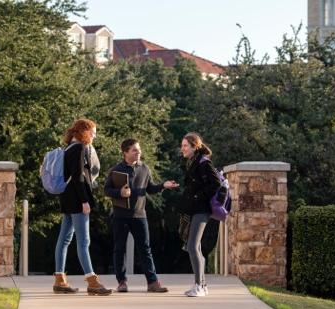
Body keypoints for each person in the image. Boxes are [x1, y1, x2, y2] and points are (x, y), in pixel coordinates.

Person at [104, 138, 179, 293]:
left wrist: (163, 186)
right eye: (135, 150)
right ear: (125, 152)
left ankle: (152, 283)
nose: (139, 152)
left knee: (145, 249)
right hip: (120, 216)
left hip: (139, 215)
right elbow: (106, 190)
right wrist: (120, 193)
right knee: (119, 249)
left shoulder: (144, 168)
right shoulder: (115, 170)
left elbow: (150, 189)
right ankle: (122, 282)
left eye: (139, 149)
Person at [53, 118, 112, 296]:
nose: (94, 136)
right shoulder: (79, 148)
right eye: (93, 132)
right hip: (78, 201)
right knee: (84, 242)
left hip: (67, 199)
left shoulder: (68, 147)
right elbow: (79, 177)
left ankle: (59, 280)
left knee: (63, 240)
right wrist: (85, 201)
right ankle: (92, 281)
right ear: (84, 131)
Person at [180, 132, 221, 297]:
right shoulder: (192, 162)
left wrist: (198, 196)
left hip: (202, 209)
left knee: (192, 246)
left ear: (194, 146)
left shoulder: (204, 163)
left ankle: (199, 285)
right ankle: (201, 285)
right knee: (194, 246)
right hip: (194, 209)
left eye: (185, 146)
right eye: (182, 145)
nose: (182, 149)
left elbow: (216, 183)